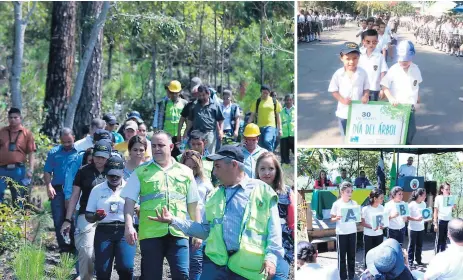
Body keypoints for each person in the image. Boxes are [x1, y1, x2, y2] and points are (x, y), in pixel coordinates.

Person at [148, 145, 284, 280]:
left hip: (247, 269)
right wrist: (173, 220)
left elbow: (274, 230)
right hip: (216, 266)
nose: (214, 172)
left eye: (218, 166)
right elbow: (205, 230)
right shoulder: (214, 195)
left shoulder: (263, 191)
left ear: (234, 165)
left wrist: (271, 258)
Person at [121, 130, 201, 280]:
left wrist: (197, 230)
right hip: (151, 233)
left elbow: (193, 204)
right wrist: (129, 226)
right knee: (151, 276)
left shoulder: (185, 172)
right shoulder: (141, 172)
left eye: (161, 145)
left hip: (179, 232)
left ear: (171, 147)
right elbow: (129, 201)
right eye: (154, 145)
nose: (156, 149)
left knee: (182, 275)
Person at [60, 140, 111, 280]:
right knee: (86, 250)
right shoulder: (83, 171)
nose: (99, 160)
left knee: (102, 253)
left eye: (103, 157)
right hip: (86, 215)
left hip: (109, 216)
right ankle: (85, 276)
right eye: (97, 156)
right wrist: (67, 219)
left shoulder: (113, 171)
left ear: (109, 156)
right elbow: (75, 196)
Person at [86, 156, 136, 279]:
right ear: (105, 173)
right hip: (104, 231)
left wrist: (138, 210)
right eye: (110, 175)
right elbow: (88, 215)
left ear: (123, 172)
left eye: (117, 176)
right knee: (102, 270)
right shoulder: (97, 190)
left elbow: (139, 208)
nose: (114, 178)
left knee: (126, 267)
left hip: (125, 230)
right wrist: (96, 216)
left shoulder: (131, 188)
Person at [256, 152, 295, 280]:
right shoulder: (251, 191)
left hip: (282, 243)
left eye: (271, 168)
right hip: (256, 242)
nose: (267, 172)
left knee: (279, 275)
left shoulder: (286, 192)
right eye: (262, 168)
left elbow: (293, 222)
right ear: (257, 171)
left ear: (277, 170)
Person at [179, 150, 214, 280]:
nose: (191, 170)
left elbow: (210, 204)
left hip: (198, 227)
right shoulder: (178, 181)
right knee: (182, 265)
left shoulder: (205, 183)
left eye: (194, 167)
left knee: (196, 262)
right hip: (182, 226)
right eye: (188, 166)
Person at [381, 40, 422, 145]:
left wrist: (418, 97)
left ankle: (407, 144)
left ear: (412, 57)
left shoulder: (416, 68)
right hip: (397, 105)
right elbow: (384, 85)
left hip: (410, 106)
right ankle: (396, 145)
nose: (403, 63)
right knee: (396, 129)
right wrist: (390, 98)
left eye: (406, 61)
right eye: (401, 61)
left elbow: (416, 84)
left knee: (411, 130)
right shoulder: (394, 69)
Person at [43, 128, 78, 253]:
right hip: (57, 190)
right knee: (58, 219)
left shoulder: (79, 152)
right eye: (64, 142)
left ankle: (75, 247)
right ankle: (64, 248)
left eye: (69, 141)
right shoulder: (54, 152)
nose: (67, 144)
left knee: (73, 219)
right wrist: (49, 186)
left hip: (74, 191)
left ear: (74, 137)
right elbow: (47, 171)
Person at [328, 42, 370, 138]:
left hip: (359, 112)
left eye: (355, 58)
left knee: (358, 136)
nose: (351, 62)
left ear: (359, 58)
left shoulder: (362, 73)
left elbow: (366, 88)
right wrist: (343, 100)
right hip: (343, 112)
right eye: (348, 59)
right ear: (341, 58)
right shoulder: (338, 74)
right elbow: (333, 90)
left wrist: (366, 96)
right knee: (346, 136)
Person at [0, 107, 36, 204]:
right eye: (10, 117)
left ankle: (18, 217)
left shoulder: (27, 133)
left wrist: (30, 170)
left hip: (18, 169)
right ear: (8, 119)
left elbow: (31, 152)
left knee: (18, 195)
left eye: (15, 117)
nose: (13, 120)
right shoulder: (2, 132)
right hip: (2, 169)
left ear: (20, 118)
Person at [153, 80, 188, 158]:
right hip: (167, 136)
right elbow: (158, 120)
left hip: (181, 137)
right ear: (169, 92)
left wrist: (185, 134)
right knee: (167, 156)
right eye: (172, 92)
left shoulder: (185, 103)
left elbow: (187, 120)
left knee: (181, 157)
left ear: (180, 92)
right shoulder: (163, 104)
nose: (174, 95)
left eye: (176, 92)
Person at [331, 182, 358, 280]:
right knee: (342, 257)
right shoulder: (336, 204)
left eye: (351, 191)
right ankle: (342, 277)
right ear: (342, 192)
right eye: (347, 191)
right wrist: (337, 218)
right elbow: (332, 218)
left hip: (352, 232)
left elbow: (357, 217)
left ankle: (351, 276)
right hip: (341, 233)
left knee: (352, 256)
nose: (350, 193)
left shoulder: (354, 203)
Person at [186, 85, 224, 154]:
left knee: (209, 155)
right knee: (196, 154)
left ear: (208, 94)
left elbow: (220, 120)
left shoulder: (215, 105)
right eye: (200, 95)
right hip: (196, 134)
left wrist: (221, 131)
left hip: (209, 134)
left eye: (203, 95)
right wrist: (186, 131)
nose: (201, 97)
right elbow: (190, 120)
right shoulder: (194, 105)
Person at [248, 85, 282, 152]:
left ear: (269, 93)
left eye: (267, 93)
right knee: (260, 145)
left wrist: (280, 129)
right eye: (263, 93)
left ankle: (270, 154)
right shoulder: (257, 102)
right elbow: (252, 115)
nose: (265, 94)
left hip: (271, 126)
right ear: (261, 92)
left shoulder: (274, 102)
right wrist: (248, 125)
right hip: (259, 127)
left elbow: (278, 116)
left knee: (267, 140)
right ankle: (265, 158)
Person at [359, 29, 388, 102]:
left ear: (377, 41)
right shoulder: (359, 55)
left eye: (374, 42)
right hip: (360, 88)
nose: (371, 44)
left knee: (372, 110)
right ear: (363, 41)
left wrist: (382, 89)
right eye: (368, 42)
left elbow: (382, 73)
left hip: (374, 89)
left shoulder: (380, 56)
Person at [361, 188, 385, 269]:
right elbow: (362, 223)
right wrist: (372, 227)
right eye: (381, 197)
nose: (383, 199)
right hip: (368, 235)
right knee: (368, 254)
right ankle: (367, 271)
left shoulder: (382, 208)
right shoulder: (365, 209)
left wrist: (383, 226)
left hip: (379, 234)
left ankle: (377, 271)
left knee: (378, 254)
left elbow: (384, 221)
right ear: (375, 198)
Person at [433, 183, 455, 254]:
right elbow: (435, 211)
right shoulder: (438, 198)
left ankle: (442, 254)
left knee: (445, 239)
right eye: (446, 189)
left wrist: (452, 200)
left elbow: (454, 208)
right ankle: (436, 255)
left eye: (449, 189)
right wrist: (435, 223)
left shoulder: (450, 197)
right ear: (442, 190)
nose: (448, 191)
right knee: (439, 238)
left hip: (448, 220)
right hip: (441, 220)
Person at [407, 188, 427, 267]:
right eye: (424, 195)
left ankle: (418, 260)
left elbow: (425, 214)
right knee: (412, 245)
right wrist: (415, 219)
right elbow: (407, 217)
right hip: (412, 228)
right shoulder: (411, 204)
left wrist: (426, 218)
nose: (425, 197)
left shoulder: (424, 204)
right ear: (419, 195)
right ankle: (410, 261)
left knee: (419, 245)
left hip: (421, 228)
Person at [280, 94, 294, 165]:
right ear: (285, 101)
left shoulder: (296, 110)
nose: (288, 101)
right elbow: (279, 124)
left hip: (293, 135)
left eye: (290, 100)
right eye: (287, 100)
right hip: (284, 136)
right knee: (285, 157)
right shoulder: (281, 112)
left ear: (293, 100)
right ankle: (286, 167)